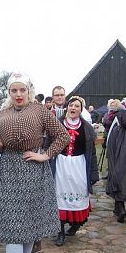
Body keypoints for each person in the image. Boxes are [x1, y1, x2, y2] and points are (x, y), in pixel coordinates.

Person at [0, 73, 70, 253]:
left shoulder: (40, 111)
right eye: (14, 91)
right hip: (8, 170)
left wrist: (45, 155)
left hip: (32, 170)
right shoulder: (2, 113)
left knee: (27, 223)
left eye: (22, 90)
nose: (18, 94)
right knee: (13, 224)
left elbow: (62, 136)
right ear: (9, 93)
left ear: (29, 91)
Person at [52, 96, 99, 244]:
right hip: (60, 164)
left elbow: (92, 152)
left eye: (77, 106)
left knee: (79, 196)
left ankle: (76, 224)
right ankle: (60, 231)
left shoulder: (87, 128)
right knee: (58, 197)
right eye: (71, 105)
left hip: (79, 165)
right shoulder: (57, 124)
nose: (73, 108)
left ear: (81, 109)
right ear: (67, 107)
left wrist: (94, 173)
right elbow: (48, 144)